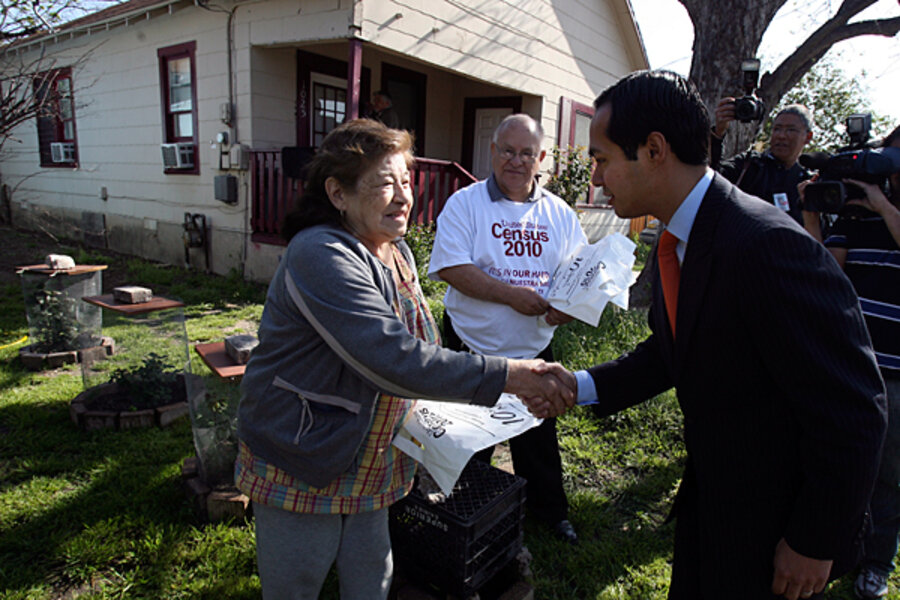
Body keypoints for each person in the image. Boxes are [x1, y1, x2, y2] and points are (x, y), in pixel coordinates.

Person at [536, 70, 887, 600]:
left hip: (778, 532)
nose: (598, 177)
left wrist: (815, 539)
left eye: (602, 159)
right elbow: (672, 351)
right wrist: (577, 383)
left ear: (654, 150)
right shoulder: (678, 237)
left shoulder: (766, 247)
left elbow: (854, 409)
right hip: (715, 502)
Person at [235, 119, 573, 600]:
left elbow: (421, 343)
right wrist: (513, 375)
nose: (402, 196)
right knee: (298, 583)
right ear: (337, 194)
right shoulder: (321, 254)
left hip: (372, 458)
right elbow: (393, 359)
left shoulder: (396, 252)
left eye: (407, 183)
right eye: (384, 184)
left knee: (373, 579)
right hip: (306, 455)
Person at [427, 113, 588, 544]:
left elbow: (579, 274)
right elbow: (452, 268)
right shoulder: (466, 203)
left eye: (526, 153)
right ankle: (463, 511)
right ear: (493, 152)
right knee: (468, 433)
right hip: (472, 342)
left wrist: (570, 308)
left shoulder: (559, 213)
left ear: (541, 159)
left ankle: (549, 512)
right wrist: (512, 295)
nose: (516, 161)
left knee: (537, 429)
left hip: (534, 345)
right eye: (507, 151)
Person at [801, 125, 900, 600]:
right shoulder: (855, 216)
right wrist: (814, 215)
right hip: (852, 363)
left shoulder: (881, 208)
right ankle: (843, 548)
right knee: (840, 460)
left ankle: (877, 562)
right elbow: (826, 269)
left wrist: (883, 204)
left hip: (898, 370)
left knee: (888, 472)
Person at [710, 99, 814, 224]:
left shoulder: (807, 184)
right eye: (777, 129)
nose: (781, 135)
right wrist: (717, 134)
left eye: (791, 130)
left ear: (808, 137)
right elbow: (710, 177)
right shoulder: (750, 165)